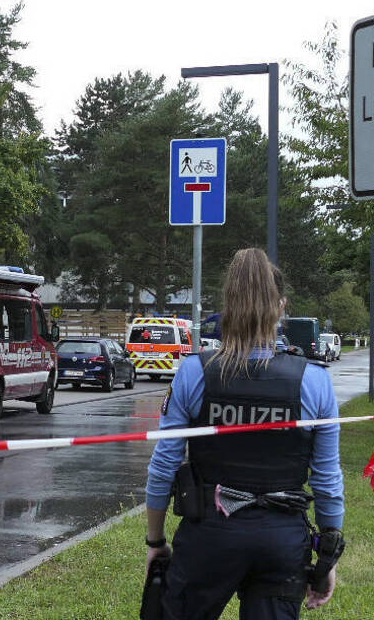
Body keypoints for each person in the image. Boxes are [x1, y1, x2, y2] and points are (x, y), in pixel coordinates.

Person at [144, 248, 343, 619]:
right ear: (282, 308)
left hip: (208, 538)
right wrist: (327, 554)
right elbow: (328, 478)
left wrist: (155, 541)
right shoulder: (315, 381)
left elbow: (163, 466)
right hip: (281, 540)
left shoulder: (194, 372)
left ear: (227, 309)